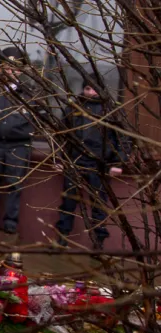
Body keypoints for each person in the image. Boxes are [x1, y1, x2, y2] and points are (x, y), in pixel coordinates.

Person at [54, 80, 125, 249]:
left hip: (100, 164)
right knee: (68, 203)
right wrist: (59, 159)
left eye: (95, 89)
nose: (91, 92)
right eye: (87, 88)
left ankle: (98, 242)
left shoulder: (112, 110)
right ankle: (62, 239)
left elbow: (123, 139)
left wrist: (118, 163)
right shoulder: (73, 108)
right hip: (75, 162)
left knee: (98, 205)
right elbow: (60, 135)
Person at [0, 46, 41, 234]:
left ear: (21, 70)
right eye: (6, 67)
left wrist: (12, 127)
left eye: (14, 68)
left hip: (18, 145)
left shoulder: (29, 93)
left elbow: (33, 121)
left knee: (15, 184)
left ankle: (10, 222)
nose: (10, 71)